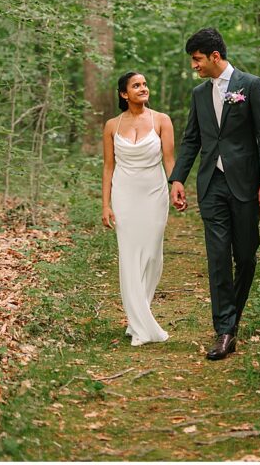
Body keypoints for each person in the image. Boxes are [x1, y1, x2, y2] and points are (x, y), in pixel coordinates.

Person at [169, 28, 260, 361]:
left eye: (198, 59)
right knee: (218, 258)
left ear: (215, 56)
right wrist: (177, 179)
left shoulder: (251, 85)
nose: (195, 66)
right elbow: (191, 140)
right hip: (211, 186)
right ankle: (224, 330)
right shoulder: (199, 94)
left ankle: (233, 317)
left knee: (244, 256)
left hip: (245, 184)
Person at [101, 71, 177, 346]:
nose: (143, 88)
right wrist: (106, 204)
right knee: (130, 256)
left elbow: (169, 160)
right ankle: (140, 324)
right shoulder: (112, 125)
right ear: (124, 94)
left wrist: (176, 186)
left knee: (152, 256)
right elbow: (109, 166)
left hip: (154, 193)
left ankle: (139, 315)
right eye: (136, 85)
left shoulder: (161, 120)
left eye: (144, 84)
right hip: (124, 194)